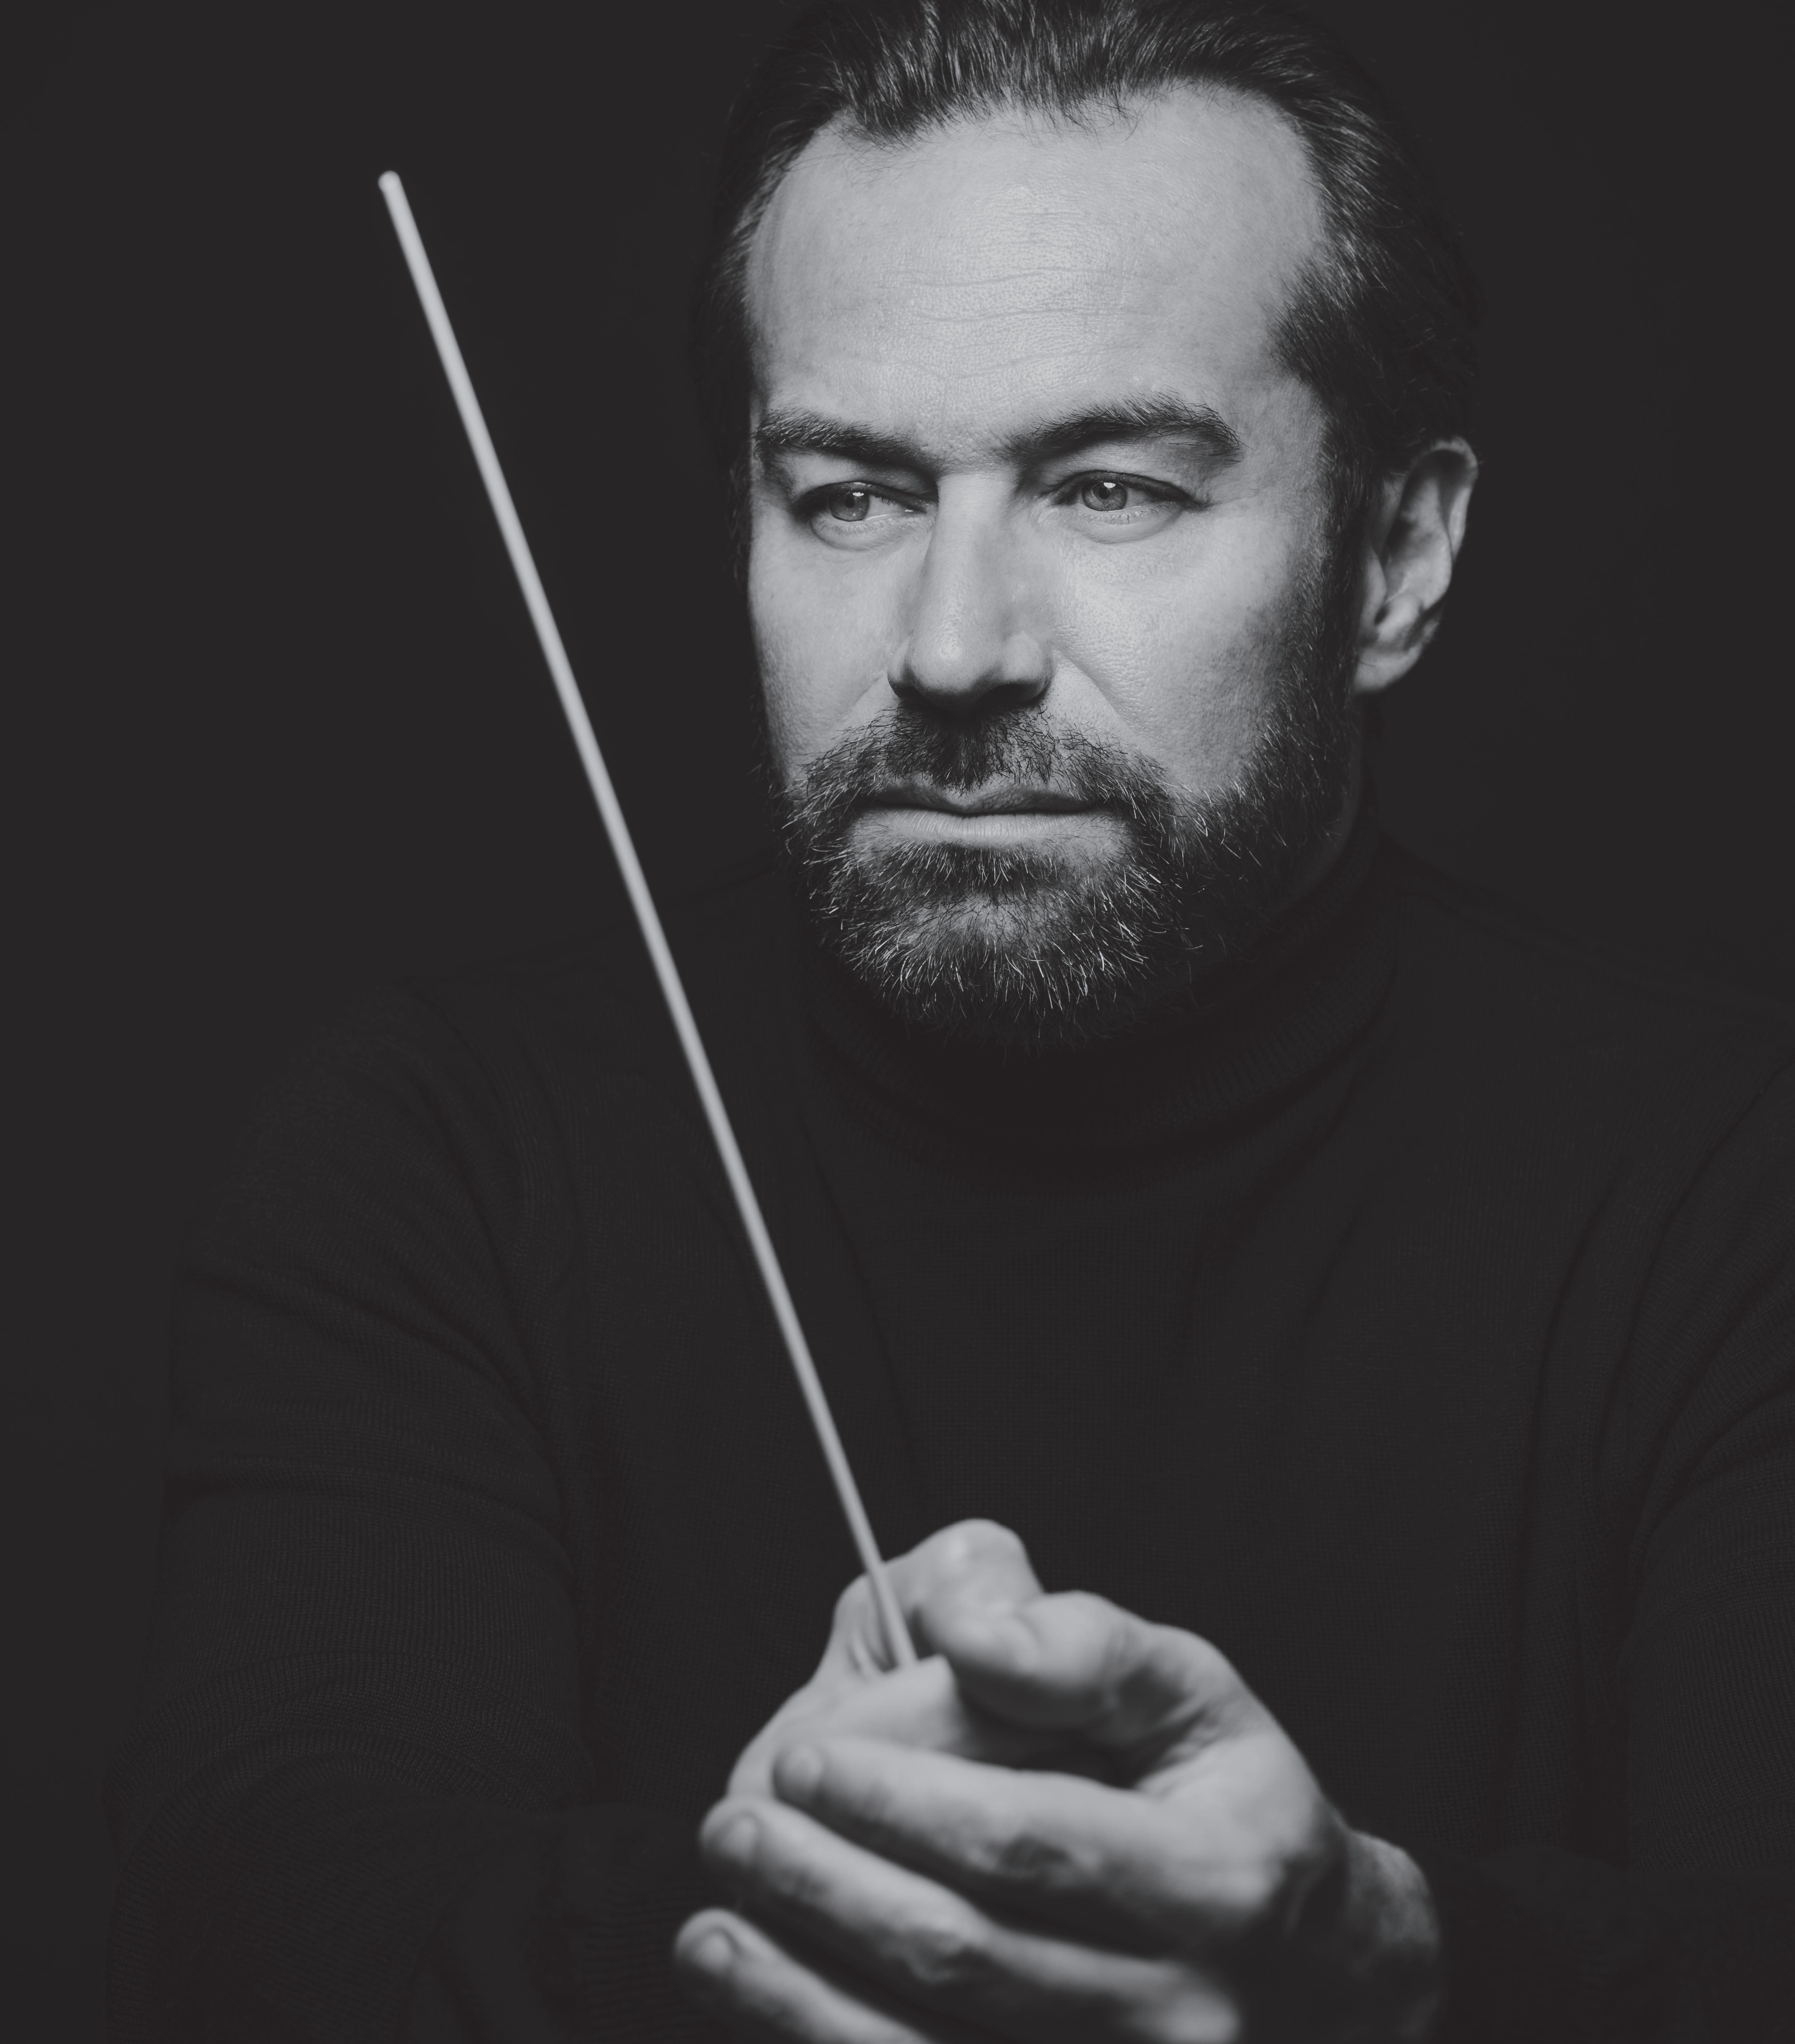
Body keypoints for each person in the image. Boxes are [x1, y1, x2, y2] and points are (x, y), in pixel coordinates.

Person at [106, 2, 1795, 2039]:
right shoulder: (441, 1158)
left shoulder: (1738, 1190)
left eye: (1111, 488)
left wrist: (1391, 1960)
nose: (954, 645)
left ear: (1396, 557)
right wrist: (795, 1885)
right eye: (852, 496)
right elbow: (277, 1918)